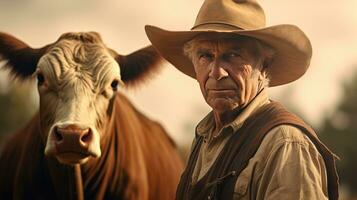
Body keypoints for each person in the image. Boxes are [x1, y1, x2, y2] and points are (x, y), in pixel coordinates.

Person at [145, 0, 339, 199]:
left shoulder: (285, 144)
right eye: (205, 56)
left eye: (233, 55)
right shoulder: (205, 137)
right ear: (194, 64)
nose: (216, 72)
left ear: (264, 65)